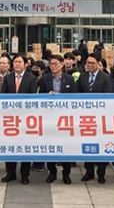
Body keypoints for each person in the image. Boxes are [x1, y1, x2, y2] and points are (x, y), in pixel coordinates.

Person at [39, 54, 76, 184]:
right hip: (50, 118)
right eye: (51, 64)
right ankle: (52, 172)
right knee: (50, 145)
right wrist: (47, 96)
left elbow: (74, 97)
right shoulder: (45, 79)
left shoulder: (69, 79)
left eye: (56, 64)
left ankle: (66, 173)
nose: (53, 66)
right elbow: (40, 97)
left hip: (65, 118)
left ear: (62, 64)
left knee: (66, 146)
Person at [1, 54, 38, 184]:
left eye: (20, 62)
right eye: (15, 62)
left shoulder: (31, 78)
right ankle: (10, 173)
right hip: (10, 119)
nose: (17, 64)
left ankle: (24, 175)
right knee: (10, 146)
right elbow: (2, 97)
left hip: (25, 119)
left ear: (25, 64)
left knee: (25, 146)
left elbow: (33, 98)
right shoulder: (8, 78)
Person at [77, 54, 114, 184]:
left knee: (101, 145)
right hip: (86, 118)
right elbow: (77, 94)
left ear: (98, 64)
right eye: (88, 63)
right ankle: (89, 171)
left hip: (101, 117)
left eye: (92, 63)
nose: (90, 65)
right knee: (88, 145)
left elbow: (108, 96)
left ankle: (101, 173)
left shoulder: (106, 78)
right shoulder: (82, 77)